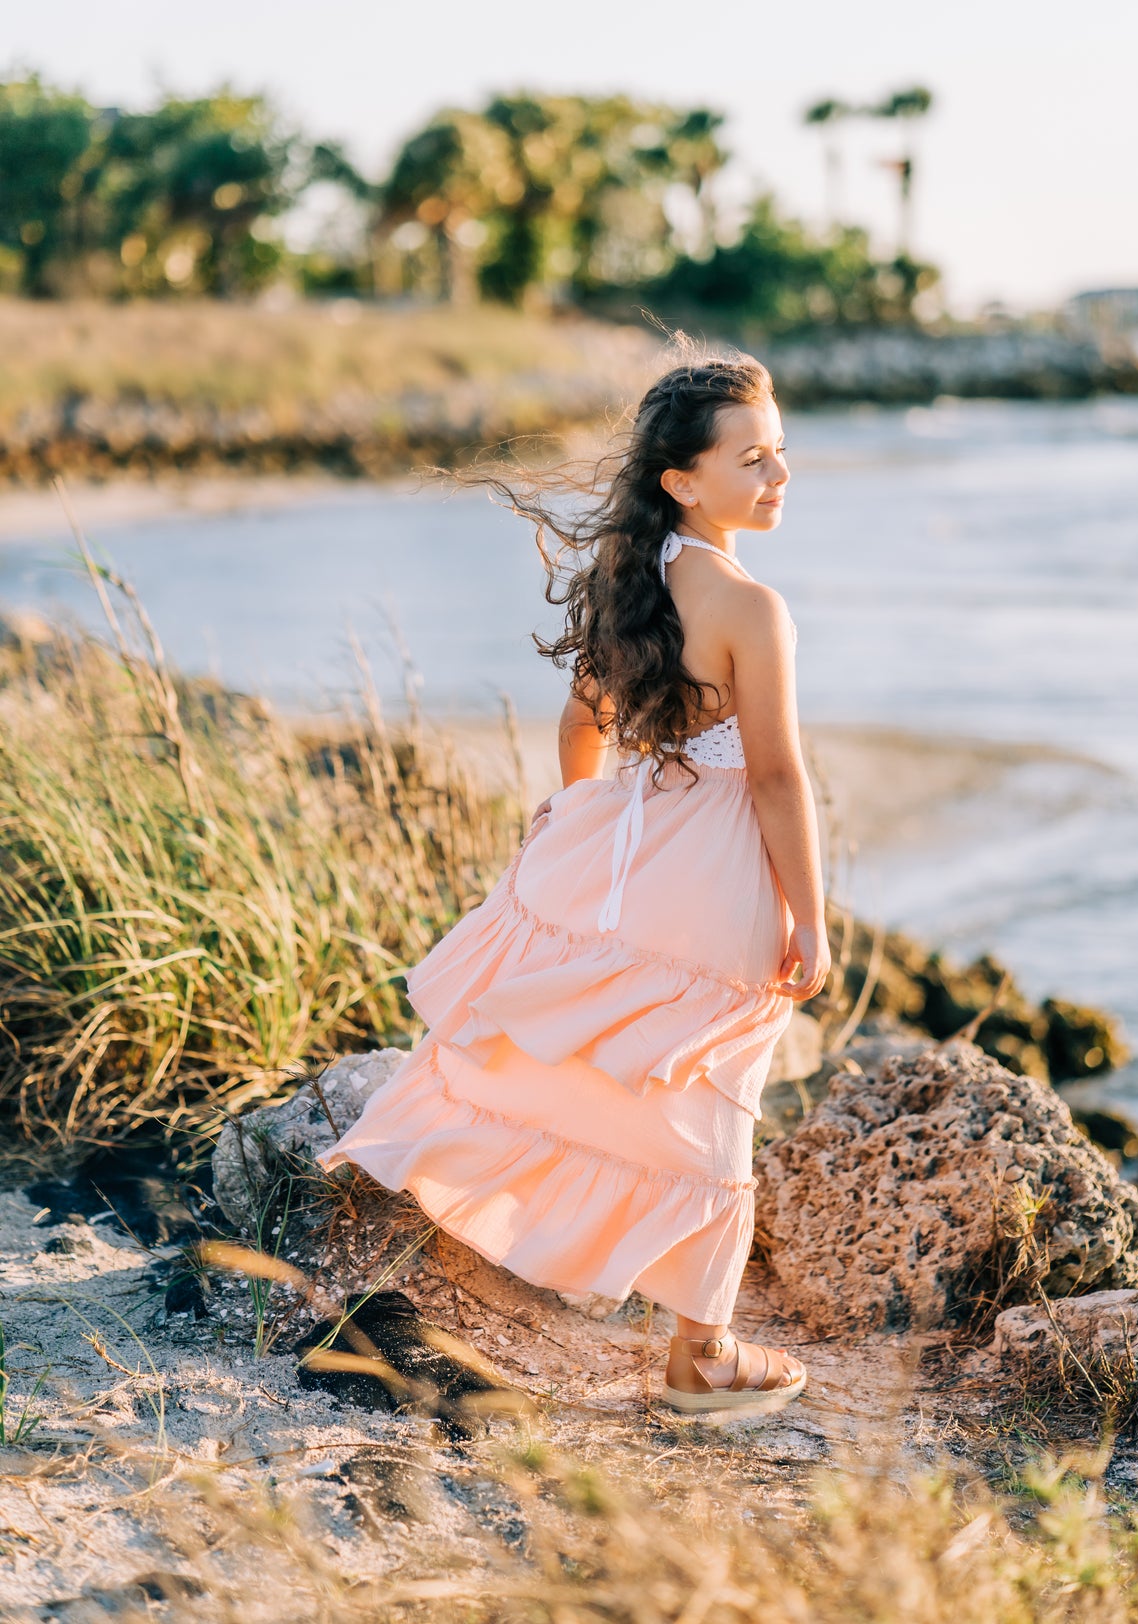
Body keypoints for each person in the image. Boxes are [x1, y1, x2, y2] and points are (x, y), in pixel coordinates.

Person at [318, 349, 831, 1413]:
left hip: (635, 843)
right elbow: (778, 780)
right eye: (754, 459)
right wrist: (813, 924)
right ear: (684, 481)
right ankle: (704, 1354)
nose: (779, 476)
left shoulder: (626, 579)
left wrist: (583, 816)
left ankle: (518, 1246)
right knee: (715, 1092)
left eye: (780, 454)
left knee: (596, 1054)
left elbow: (582, 721)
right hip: (722, 868)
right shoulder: (752, 608)